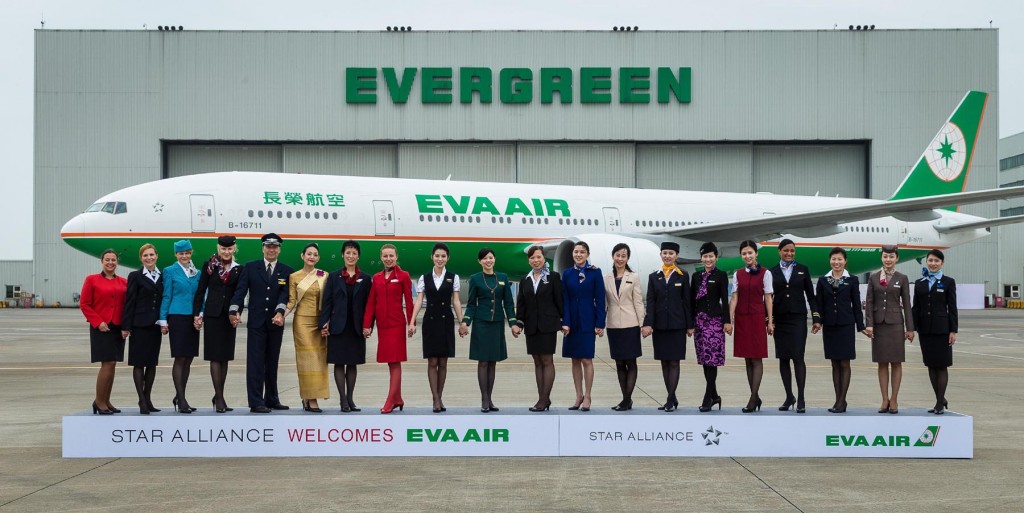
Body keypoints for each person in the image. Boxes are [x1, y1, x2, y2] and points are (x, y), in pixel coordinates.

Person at [229, 233, 294, 413]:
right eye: (268, 247)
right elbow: (240, 291)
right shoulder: (251, 267)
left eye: (275, 247)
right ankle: (256, 401)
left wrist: (280, 312)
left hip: (275, 323)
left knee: (272, 362)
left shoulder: (286, 270)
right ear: (263, 248)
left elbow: (285, 295)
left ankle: (272, 398)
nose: (271, 250)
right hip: (256, 323)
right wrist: (234, 310)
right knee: (255, 363)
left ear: (279, 249)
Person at [462, 247, 520, 413]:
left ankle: (490, 397)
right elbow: (471, 304)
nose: (488, 261)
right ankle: (484, 398)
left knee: (493, 361)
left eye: (491, 258)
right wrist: (466, 322)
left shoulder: (502, 277)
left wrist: (513, 323)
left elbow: (508, 303)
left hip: (497, 323)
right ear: (480, 261)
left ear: (494, 259)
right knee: (483, 361)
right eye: (485, 258)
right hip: (481, 323)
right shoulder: (475, 279)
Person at [408, 243, 464, 413]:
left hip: (446, 321)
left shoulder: (453, 277)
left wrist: (462, 322)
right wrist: (412, 321)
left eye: (443, 256)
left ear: (448, 258)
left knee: (443, 362)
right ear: (432, 257)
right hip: (430, 321)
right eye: (437, 256)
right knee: (432, 361)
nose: (440, 259)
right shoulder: (424, 278)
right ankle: (436, 399)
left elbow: (456, 301)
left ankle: (439, 396)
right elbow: (419, 301)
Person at [768, 239, 820, 414]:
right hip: (780, 319)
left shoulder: (802, 269)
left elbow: (811, 296)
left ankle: (801, 397)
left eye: (792, 251)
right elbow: (768, 298)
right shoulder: (772, 272)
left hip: (798, 319)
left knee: (798, 357)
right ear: (779, 251)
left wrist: (816, 317)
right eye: (786, 250)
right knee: (783, 358)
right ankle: (789, 396)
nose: (789, 253)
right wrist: (769, 320)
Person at [319, 240, 372, 412]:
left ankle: (350, 398)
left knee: (353, 363)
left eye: (354, 253)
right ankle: (342, 399)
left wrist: (368, 325)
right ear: (343, 255)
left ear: (358, 256)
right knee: (339, 363)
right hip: (338, 326)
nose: (351, 256)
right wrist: (324, 323)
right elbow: (327, 302)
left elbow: (369, 305)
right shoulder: (334, 277)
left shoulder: (365, 278)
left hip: (356, 327)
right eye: (348, 253)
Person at [193, 236, 242, 413]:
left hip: (228, 317)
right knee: (214, 356)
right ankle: (219, 398)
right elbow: (200, 290)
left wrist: (237, 312)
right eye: (223, 249)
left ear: (234, 249)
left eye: (229, 249)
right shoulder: (209, 266)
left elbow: (239, 294)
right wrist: (197, 314)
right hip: (212, 315)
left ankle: (219, 395)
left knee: (225, 357)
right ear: (218, 248)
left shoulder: (239, 269)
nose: (226, 252)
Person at [363, 244, 414, 414]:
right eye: (385, 256)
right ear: (381, 257)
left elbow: (409, 301)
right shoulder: (376, 277)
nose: (388, 259)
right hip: (382, 326)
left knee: (395, 361)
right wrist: (367, 325)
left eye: (391, 256)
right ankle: (398, 398)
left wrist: (411, 323)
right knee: (390, 362)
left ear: (396, 256)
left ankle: (391, 400)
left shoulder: (403, 276)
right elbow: (371, 302)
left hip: (396, 325)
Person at [864, 245, 915, 414]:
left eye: (891, 256)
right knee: (882, 362)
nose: (888, 260)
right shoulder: (874, 278)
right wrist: (869, 324)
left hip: (896, 324)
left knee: (896, 362)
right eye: (885, 256)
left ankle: (894, 399)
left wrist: (910, 328)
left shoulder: (902, 278)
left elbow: (907, 304)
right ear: (881, 258)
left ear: (896, 258)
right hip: (879, 325)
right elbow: (869, 302)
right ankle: (884, 398)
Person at [641, 241, 692, 412]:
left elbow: (687, 302)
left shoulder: (683, 275)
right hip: (660, 326)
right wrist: (648, 323)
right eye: (665, 253)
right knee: (664, 362)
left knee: (674, 362)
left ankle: (670, 399)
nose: (668, 256)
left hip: (678, 325)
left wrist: (690, 325)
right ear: (661, 255)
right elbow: (651, 302)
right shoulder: (654, 276)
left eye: (671, 253)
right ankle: (672, 396)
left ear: (677, 256)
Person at [815, 247, 866, 414]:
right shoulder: (823, 280)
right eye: (834, 259)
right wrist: (817, 321)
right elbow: (819, 304)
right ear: (830, 260)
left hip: (846, 325)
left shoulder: (852, 280)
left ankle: (841, 400)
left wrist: (861, 326)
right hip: (830, 326)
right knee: (834, 363)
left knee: (845, 363)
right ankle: (838, 400)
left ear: (845, 261)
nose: (836, 262)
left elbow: (856, 304)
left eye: (840, 259)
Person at [80, 249, 128, 415]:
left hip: (117, 327)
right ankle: (99, 401)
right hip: (101, 327)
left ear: (117, 262)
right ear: (102, 261)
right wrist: (98, 322)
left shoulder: (124, 282)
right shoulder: (91, 280)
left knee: (113, 364)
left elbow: (127, 306)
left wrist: (126, 326)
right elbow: (85, 304)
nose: (110, 262)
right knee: (107, 363)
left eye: (113, 260)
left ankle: (106, 400)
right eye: (107, 259)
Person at [516, 245, 563, 412]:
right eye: (532, 258)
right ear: (528, 260)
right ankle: (543, 398)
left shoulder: (553, 277)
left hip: (548, 325)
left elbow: (559, 300)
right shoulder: (525, 279)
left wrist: (564, 321)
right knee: (537, 362)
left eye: (538, 257)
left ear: (544, 258)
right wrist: (519, 323)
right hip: (531, 326)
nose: (536, 260)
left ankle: (543, 400)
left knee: (547, 360)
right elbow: (521, 304)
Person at [561, 241, 606, 412]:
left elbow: (600, 299)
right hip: (571, 321)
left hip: (588, 319)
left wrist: (600, 322)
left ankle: (588, 395)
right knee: (574, 359)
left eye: (582, 252)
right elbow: (565, 299)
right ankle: (578, 395)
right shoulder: (567, 274)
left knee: (587, 359)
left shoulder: (595, 272)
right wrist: (565, 321)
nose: (578, 255)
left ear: (587, 254)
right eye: (576, 252)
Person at [912, 249, 958, 415]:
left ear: (942, 263)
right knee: (930, 365)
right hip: (925, 330)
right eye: (930, 260)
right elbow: (916, 307)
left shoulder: (948, 282)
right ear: (926, 262)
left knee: (941, 365)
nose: (933, 263)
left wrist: (953, 330)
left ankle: (939, 403)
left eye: (936, 261)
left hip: (942, 329)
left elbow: (952, 307)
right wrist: (912, 328)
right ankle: (940, 398)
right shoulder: (920, 283)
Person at [730, 240, 773, 413]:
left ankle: (753, 398)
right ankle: (755, 396)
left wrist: (770, 321)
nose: (747, 256)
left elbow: (768, 298)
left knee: (756, 358)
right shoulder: (738, 274)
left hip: (757, 318)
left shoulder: (765, 273)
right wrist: (729, 319)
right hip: (742, 318)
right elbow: (734, 297)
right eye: (744, 253)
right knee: (747, 358)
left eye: (750, 253)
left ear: (756, 254)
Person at [286, 243, 330, 413]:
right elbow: (291, 301)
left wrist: (327, 321)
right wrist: (282, 315)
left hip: (319, 322)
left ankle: (310, 396)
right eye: (309, 254)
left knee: (319, 360)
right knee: (307, 360)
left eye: (315, 254)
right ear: (302, 256)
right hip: (302, 322)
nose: (312, 257)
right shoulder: (294, 277)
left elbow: (328, 301)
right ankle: (311, 398)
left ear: (318, 258)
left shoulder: (324, 275)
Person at [121, 244, 163, 414]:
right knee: (139, 363)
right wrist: (126, 326)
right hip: (139, 325)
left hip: (155, 326)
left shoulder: (162, 276)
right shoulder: (135, 276)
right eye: (145, 255)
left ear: (156, 256)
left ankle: (148, 398)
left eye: (151, 254)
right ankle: (141, 399)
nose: (149, 258)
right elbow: (130, 301)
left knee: (152, 363)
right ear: (141, 258)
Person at [160, 240, 201, 414]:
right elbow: (166, 295)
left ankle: (179, 396)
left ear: (191, 253)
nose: (184, 256)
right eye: (181, 253)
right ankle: (182, 400)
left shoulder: (197, 272)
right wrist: (163, 319)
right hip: (177, 316)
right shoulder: (169, 271)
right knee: (180, 358)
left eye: (187, 253)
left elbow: (200, 296)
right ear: (176, 255)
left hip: (193, 318)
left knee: (189, 358)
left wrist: (200, 314)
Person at [688, 242, 729, 412]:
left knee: (712, 360)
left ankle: (707, 397)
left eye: (711, 256)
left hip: (714, 321)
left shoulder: (721, 275)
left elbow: (725, 299)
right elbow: (691, 301)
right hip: (699, 322)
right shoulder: (696, 276)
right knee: (705, 360)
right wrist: (690, 323)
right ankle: (715, 395)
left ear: (716, 257)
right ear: (701, 258)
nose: (708, 259)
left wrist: (727, 321)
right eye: (705, 256)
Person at [603, 243, 644, 411]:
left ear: (627, 258)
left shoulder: (633, 277)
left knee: (631, 361)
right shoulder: (606, 277)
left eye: (623, 256)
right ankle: (625, 399)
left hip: (630, 323)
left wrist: (642, 324)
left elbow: (638, 301)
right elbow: (604, 303)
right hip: (613, 324)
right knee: (619, 362)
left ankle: (627, 400)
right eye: (618, 255)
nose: (620, 259)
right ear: (613, 256)